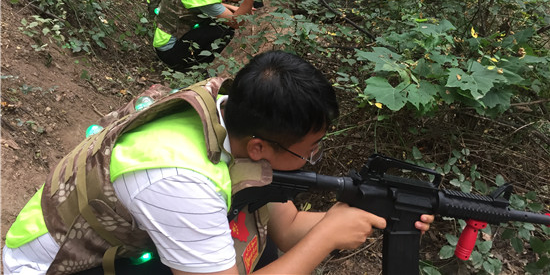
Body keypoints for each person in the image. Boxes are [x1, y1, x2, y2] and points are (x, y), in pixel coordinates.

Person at [3, 50, 434, 275]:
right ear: (262, 147)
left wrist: (354, 216)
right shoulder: (178, 179)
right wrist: (326, 239)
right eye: (309, 150)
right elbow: (300, 242)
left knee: (257, 246)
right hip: (61, 268)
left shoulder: (232, 114)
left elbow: (284, 230)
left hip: (119, 247)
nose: (312, 160)